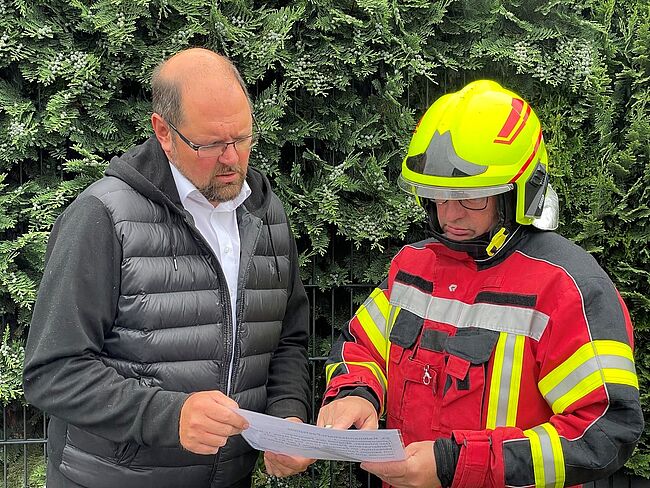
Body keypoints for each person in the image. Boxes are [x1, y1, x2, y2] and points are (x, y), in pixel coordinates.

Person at [317, 80, 643, 488]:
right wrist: (356, 393)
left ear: (521, 193)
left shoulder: (568, 288)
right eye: (437, 196)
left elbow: (602, 432)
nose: (450, 214)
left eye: (472, 197)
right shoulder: (413, 266)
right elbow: (361, 347)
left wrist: (457, 464)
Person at [23, 48, 313, 488]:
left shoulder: (266, 213)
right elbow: (51, 372)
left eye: (243, 138)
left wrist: (288, 413)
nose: (233, 159)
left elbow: (289, 340)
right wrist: (168, 415)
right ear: (163, 131)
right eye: (211, 144)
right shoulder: (102, 216)